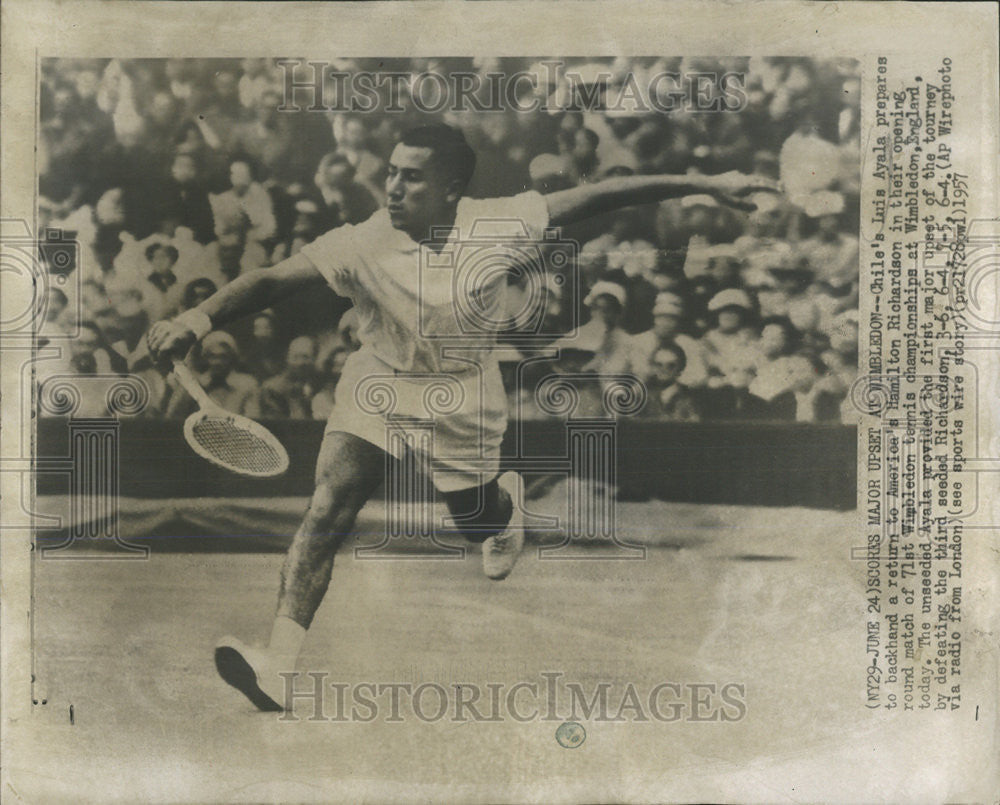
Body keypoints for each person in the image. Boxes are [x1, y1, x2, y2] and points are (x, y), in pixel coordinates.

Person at [147, 123, 775, 711]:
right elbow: (270, 280)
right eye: (391, 172)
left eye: (412, 177)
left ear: (450, 189)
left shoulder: (501, 223)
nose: (393, 186)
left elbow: (604, 194)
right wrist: (193, 320)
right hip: (380, 381)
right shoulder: (362, 241)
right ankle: (278, 668)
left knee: (477, 523)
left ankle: (502, 506)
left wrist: (707, 184)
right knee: (328, 505)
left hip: (464, 392)